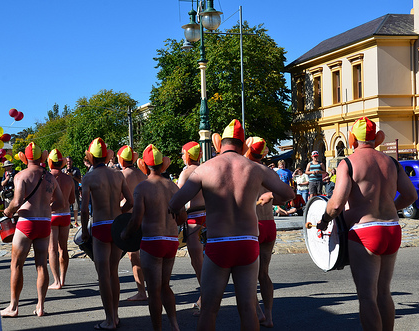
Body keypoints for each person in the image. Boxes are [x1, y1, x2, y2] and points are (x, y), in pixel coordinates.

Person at [169, 119, 294, 331]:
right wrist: (271, 196)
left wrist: (183, 213)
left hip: (219, 242)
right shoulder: (256, 169)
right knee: (247, 308)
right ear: (243, 144)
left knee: (209, 309)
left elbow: (175, 203)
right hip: (247, 242)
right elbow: (288, 194)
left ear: (220, 145)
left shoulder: (204, 169)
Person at [317, 117, 417, 331]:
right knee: (384, 292)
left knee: (367, 296)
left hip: (365, 232)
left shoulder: (349, 162)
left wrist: (324, 220)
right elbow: (410, 195)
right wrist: (391, 207)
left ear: (353, 138)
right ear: (374, 138)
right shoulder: (391, 162)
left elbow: (336, 204)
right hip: (391, 228)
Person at [122, 144, 185, 331]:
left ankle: (157, 328)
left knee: (154, 291)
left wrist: (124, 234)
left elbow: (136, 219)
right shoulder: (173, 186)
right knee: (166, 286)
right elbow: (183, 217)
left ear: (145, 166)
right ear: (161, 165)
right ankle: (175, 325)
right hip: (172, 240)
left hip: (152, 241)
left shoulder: (142, 188)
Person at [1, 142, 64, 317]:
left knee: (16, 265)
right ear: (42, 157)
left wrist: (8, 211)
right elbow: (61, 201)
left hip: (27, 222)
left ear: (24, 158)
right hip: (44, 221)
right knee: (41, 265)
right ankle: (40, 306)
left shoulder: (21, 175)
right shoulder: (50, 177)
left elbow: (17, 201)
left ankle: (13, 307)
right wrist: (46, 208)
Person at [80, 138, 133, 330]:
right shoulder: (118, 175)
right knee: (114, 273)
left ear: (91, 157)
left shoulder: (89, 178)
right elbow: (130, 201)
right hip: (116, 224)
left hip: (101, 225)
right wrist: (121, 214)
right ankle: (116, 315)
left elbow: (84, 209)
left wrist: (85, 230)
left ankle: (109, 319)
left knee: (103, 275)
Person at [246, 137, 277, 328]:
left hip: (254, 225)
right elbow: (286, 194)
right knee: (263, 274)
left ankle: (258, 313)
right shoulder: (270, 172)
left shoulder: (247, 170)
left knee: (248, 275)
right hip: (269, 225)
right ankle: (269, 315)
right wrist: (271, 195)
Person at [117, 145, 148, 302]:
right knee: (147, 256)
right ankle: (154, 288)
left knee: (134, 257)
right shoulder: (141, 173)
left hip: (130, 218)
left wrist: (120, 211)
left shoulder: (121, 175)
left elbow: (126, 201)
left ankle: (141, 292)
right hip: (145, 217)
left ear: (121, 159)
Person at [177, 141, 205, 313]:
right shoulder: (207, 169)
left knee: (197, 262)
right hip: (209, 217)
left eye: (182, 153)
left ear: (187, 155)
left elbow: (179, 199)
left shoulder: (186, 173)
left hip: (194, 219)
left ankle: (205, 297)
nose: (181, 157)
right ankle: (205, 296)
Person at [47, 149, 76, 290]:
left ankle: (56, 280)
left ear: (50, 162)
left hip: (52, 215)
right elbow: (72, 200)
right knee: (63, 248)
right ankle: (63, 278)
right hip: (65, 215)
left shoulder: (47, 177)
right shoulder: (69, 178)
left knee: (52, 249)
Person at [63, 156, 81, 227]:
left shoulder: (76, 170)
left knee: (75, 207)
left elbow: (80, 180)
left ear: (72, 162)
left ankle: (76, 221)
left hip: (75, 190)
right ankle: (69, 222)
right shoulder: (63, 170)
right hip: (66, 191)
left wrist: (72, 176)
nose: (68, 163)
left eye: (70, 161)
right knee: (67, 207)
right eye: (67, 162)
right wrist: (65, 175)